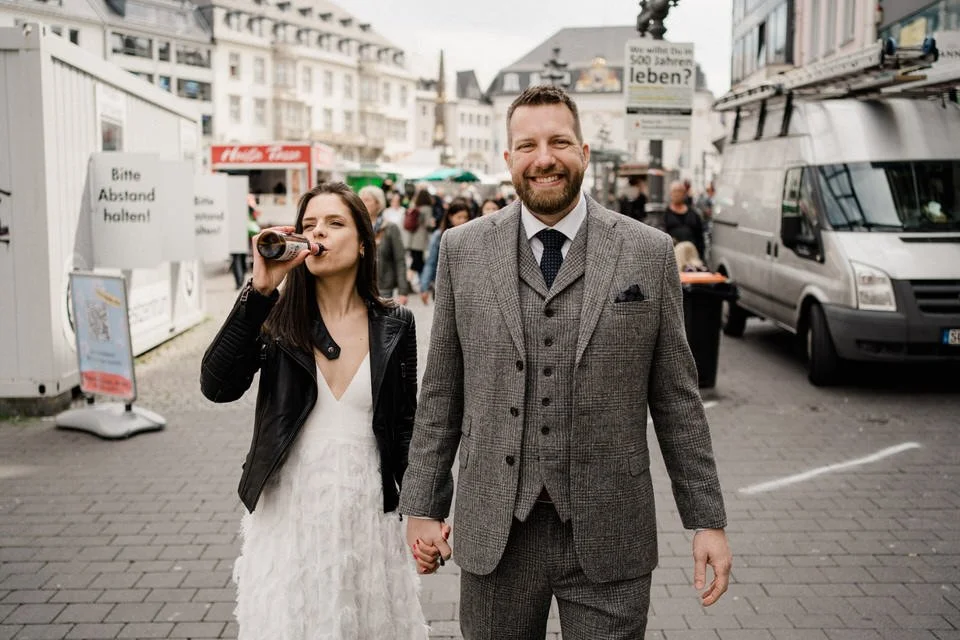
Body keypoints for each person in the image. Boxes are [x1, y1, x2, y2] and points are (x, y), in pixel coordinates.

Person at [398, 85, 731, 639]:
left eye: (559, 141)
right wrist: (423, 504)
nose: (544, 157)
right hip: (495, 533)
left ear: (583, 152)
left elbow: (677, 399)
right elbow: (441, 393)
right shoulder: (463, 249)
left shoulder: (647, 251)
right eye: (527, 145)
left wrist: (707, 519)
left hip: (610, 532)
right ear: (508, 159)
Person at [199, 182, 430, 640]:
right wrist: (260, 289)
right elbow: (217, 386)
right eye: (308, 224)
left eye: (334, 222)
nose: (318, 232)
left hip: (368, 512)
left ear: (364, 242)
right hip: (292, 511)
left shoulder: (395, 325)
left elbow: (406, 428)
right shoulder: (277, 317)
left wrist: (425, 511)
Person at [359, 185, 410, 305]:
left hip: (383, 287)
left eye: (367, 200)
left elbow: (400, 259)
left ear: (378, 203)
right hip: (359, 285)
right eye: (360, 200)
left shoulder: (390, 228)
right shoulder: (356, 228)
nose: (362, 203)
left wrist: (403, 291)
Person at [665, 180, 707, 260]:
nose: (677, 194)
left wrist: (701, 257)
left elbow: (700, 238)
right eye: (674, 191)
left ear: (684, 194)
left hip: (692, 257)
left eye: (679, 191)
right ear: (670, 194)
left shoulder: (694, 214)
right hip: (673, 258)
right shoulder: (665, 214)